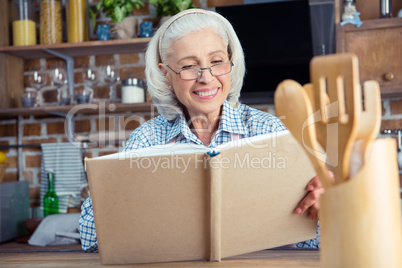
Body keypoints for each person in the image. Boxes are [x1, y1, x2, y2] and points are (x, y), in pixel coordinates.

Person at [79, 9, 325, 253]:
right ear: (166, 75)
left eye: (216, 61)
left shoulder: (270, 131)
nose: (206, 77)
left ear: (230, 61)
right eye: (189, 66)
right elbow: (90, 238)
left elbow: (316, 238)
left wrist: (325, 206)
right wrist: (120, 200)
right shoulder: (147, 139)